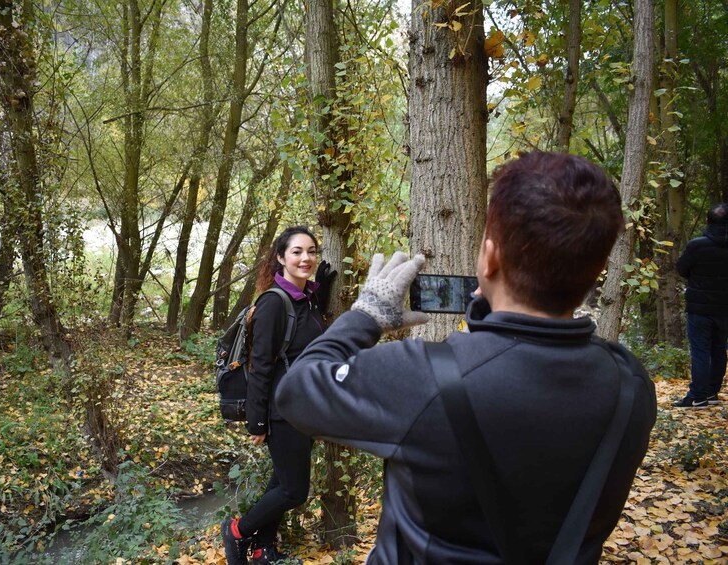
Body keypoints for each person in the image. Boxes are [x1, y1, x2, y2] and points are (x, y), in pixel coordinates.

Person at [276, 152, 657, 563]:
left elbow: (298, 389)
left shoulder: (422, 378)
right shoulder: (630, 384)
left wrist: (366, 314)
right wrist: (492, 317)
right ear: (598, 267)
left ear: (490, 257)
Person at [221, 226, 335, 565]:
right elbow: (260, 366)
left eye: (311, 251)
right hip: (280, 410)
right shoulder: (273, 302)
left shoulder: (306, 298)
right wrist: (257, 420)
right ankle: (238, 531)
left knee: (280, 481)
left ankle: (263, 550)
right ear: (281, 258)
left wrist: (323, 290)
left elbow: (305, 332)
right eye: (297, 252)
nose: (306, 258)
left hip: (303, 406)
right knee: (294, 490)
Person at [673, 203, 728, 408]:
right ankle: (712, 393)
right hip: (724, 309)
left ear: (707, 221)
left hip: (700, 309)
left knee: (700, 351)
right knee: (719, 349)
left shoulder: (697, 245)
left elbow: (681, 269)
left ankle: (697, 396)